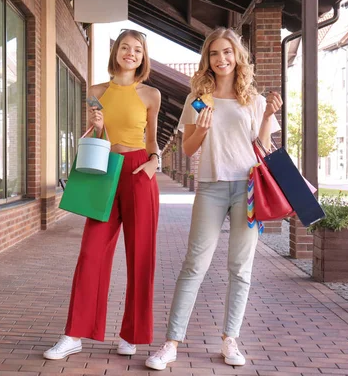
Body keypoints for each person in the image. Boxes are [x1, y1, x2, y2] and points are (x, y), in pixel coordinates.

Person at [145, 27, 282, 370]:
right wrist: (202, 129)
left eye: (227, 52)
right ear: (207, 59)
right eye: (214, 53)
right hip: (211, 187)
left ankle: (230, 339)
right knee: (194, 264)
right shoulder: (198, 99)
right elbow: (188, 147)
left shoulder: (254, 100)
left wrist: (266, 118)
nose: (221, 59)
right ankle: (171, 343)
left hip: (248, 188)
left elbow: (264, 149)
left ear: (237, 57)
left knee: (240, 267)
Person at [43, 29, 161, 360]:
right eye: (125, 47)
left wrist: (154, 162)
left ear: (143, 57)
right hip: (104, 169)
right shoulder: (96, 91)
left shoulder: (151, 94)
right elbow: (98, 135)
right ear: (116, 52)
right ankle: (74, 334)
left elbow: (151, 139)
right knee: (91, 253)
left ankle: (132, 335)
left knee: (141, 256)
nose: (131, 53)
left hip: (140, 171)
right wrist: (96, 125)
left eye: (137, 49)